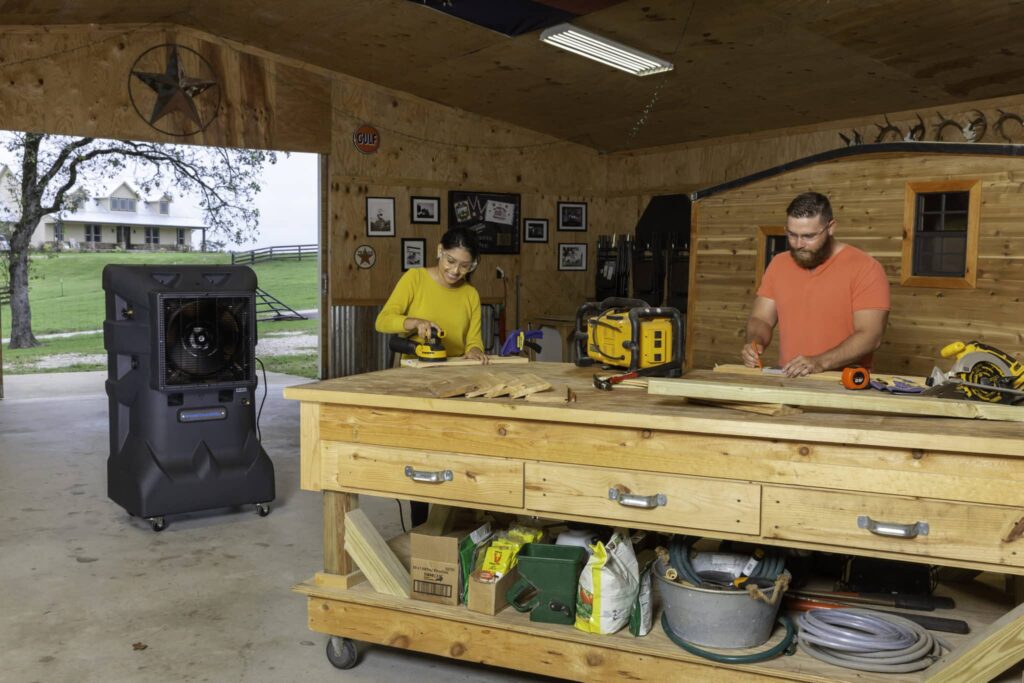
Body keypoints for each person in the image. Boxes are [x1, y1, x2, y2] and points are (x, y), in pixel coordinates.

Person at [376, 227, 488, 527]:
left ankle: (453, 523)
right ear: (439, 250)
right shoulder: (415, 278)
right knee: (422, 457)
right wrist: (414, 321)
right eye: (450, 261)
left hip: (455, 381)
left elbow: (473, 340)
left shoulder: (471, 294)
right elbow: (383, 320)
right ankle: (420, 527)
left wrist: (476, 351)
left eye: (465, 266)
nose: (455, 271)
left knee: (458, 454)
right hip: (416, 380)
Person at [741, 191, 890, 377]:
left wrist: (819, 362)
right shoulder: (779, 264)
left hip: (845, 384)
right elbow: (761, 318)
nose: (798, 244)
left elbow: (870, 336)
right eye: (792, 235)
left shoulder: (866, 268)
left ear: (831, 228)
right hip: (789, 378)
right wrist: (754, 342)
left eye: (808, 236)